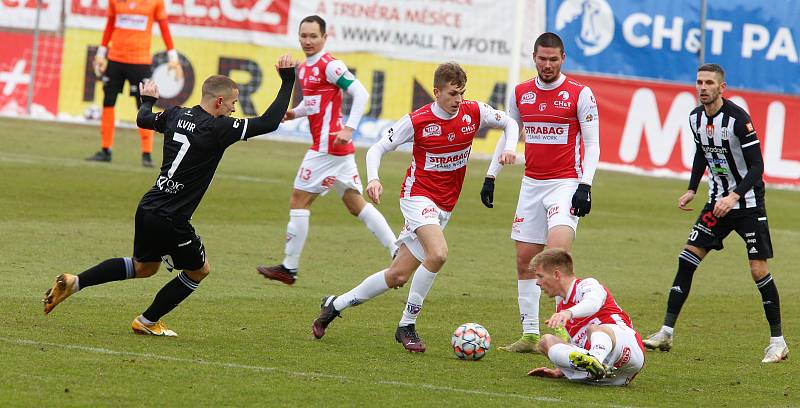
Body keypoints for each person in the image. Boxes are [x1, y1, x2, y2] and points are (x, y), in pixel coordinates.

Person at [43, 56, 296, 336]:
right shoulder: (219, 128)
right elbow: (270, 122)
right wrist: (287, 81)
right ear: (219, 102)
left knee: (144, 267)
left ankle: (75, 281)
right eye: (233, 104)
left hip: (149, 206)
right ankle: (148, 321)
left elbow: (143, 119)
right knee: (199, 271)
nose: (235, 110)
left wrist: (148, 101)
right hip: (172, 218)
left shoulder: (176, 114)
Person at [310, 62, 519, 352]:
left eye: (462, 93)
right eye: (452, 93)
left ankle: (335, 304)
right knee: (439, 253)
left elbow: (510, 122)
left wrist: (510, 148)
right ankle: (407, 324)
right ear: (436, 92)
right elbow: (376, 148)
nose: (458, 99)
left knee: (397, 275)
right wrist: (374, 180)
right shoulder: (418, 120)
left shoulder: (474, 111)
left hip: (445, 204)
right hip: (417, 196)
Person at [642, 63, 788, 363]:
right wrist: (693, 188)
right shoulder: (695, 118)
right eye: (699, 82)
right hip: (716, 204)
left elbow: (758, 168)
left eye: (709, 82)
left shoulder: (738, 120)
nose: (703, 87)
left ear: (722, 88)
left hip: (747, 205)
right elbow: (701, 152)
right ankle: (666, 332)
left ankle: (778, 342)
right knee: (687, 259)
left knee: (758, 270)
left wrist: (734, 195)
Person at [480, 32, 600, 352]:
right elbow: (509, 135)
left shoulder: (580, 94)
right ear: (534, 57)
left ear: (563, 59)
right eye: (542, 59)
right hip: (531, 184)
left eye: (554, 59)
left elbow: (592, 144)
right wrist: (491, 175)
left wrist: (585, 185)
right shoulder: (520, 93)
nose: (547, 65)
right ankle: (531, 334)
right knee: (525, 260)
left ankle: (563, 331)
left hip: (566, 184)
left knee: (558, 257)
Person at [256, 15, 397, 285]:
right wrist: (294, 113)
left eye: (313, 36)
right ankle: (396, 249)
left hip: (328, 145)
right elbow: (314, 104)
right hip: (335, 148)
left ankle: (289, 267)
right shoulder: (306, 68)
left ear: (324, 38)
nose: (307, 41)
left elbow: (362, 94)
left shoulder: (330, 65)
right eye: (303, 36)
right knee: (355, 204)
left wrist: (350, 128)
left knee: (299, 200)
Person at [527, 249, 645, 386]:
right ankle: (593, 367)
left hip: (627, 351)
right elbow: (577, 345)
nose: (537, 282)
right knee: (545, 341)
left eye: (540, 276)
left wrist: (568, 313)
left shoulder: (587, 285)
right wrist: (561, 370)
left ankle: (596, 361)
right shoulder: (561, 306)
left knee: (593, 329)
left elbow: (593, 303)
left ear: (556, 274)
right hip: (609, 378)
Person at [86, 0, 183, 167]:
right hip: (115, 59)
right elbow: (110, 24)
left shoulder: (155, 2)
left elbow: (164, 27)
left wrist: (173, 57)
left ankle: (147, 154)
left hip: (140, 61)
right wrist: (102, 53)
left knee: (143, 105)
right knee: (108, 101)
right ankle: (105, 150)